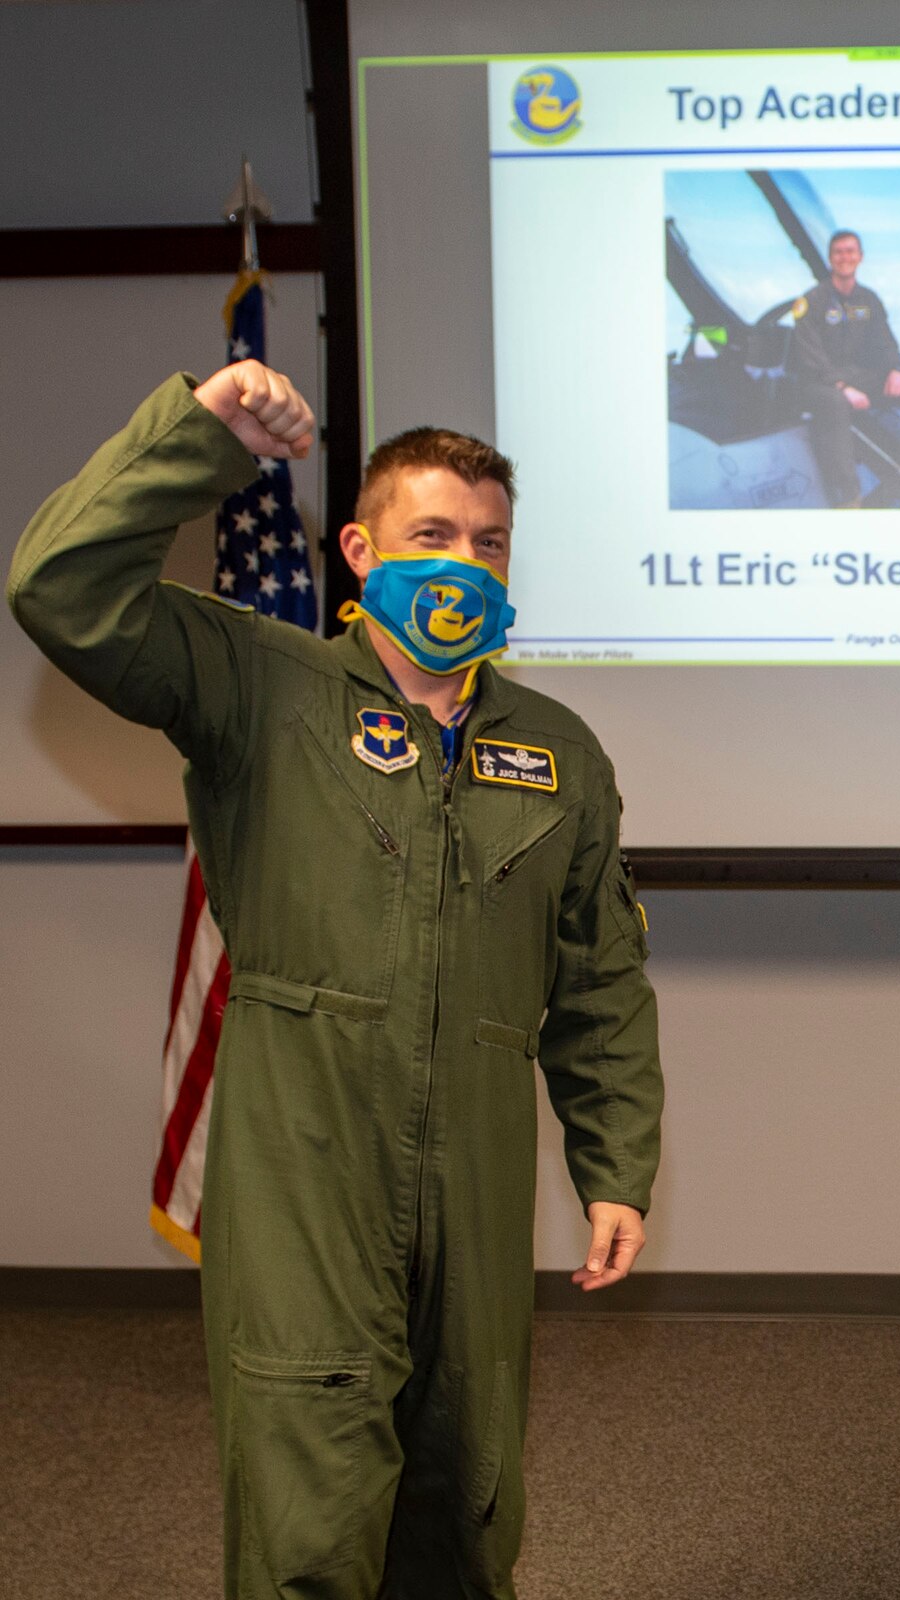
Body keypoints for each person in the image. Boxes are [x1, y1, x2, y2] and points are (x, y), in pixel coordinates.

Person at [8, 362, 664, 1598]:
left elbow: (597, 976)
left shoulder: (556, 751)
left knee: (465, 1511)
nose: (463, 563)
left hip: (471, 1170)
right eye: (432, 534)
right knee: (309, 1522)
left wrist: (614, 1159)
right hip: (306, 1156)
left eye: (489, 542)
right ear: (360, 548)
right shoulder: (261, 684)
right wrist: (197, 439)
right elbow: (60, 589)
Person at [786, 228, 900, 506]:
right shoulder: (811, 302)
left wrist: (895, 369)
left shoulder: (868, 300)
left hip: (857, 379)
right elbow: (810, 357)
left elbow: (885, 342)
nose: (844, 257)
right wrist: (843, 387)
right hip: (818, 384)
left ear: (860, 257)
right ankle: (849, 495)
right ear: (830, 259)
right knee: (836, 403)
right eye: (838, 252)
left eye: (850, 252)